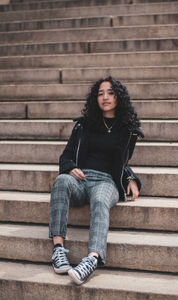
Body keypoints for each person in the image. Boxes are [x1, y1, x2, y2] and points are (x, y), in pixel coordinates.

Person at [49, 76, 144, 285]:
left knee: (100, 201)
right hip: (81, 180)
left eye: (110, 93)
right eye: (100, 94)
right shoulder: (84, 125)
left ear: (119, 97)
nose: (105, 97)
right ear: (95, 98)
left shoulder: (127, 130)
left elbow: (122, 163)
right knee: (61, 182)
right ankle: (58, 250)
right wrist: (70, 168)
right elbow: (66, 156)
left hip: (106, 182)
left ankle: (92, 259)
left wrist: (130, 178)